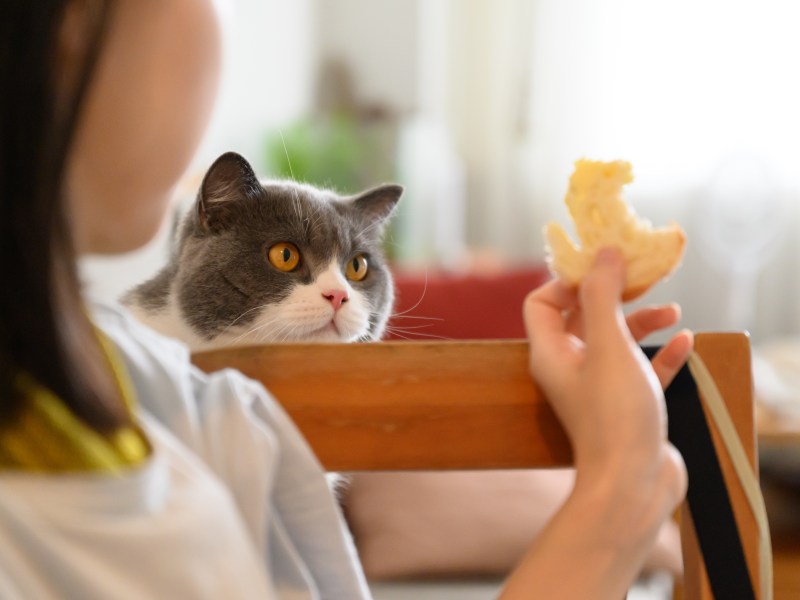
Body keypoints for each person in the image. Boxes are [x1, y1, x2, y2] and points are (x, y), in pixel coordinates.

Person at [0, 1, 693, 599]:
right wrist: (616, 500)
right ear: (71, 24)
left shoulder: (153, 386)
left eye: (358, 267)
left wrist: (612, 473)